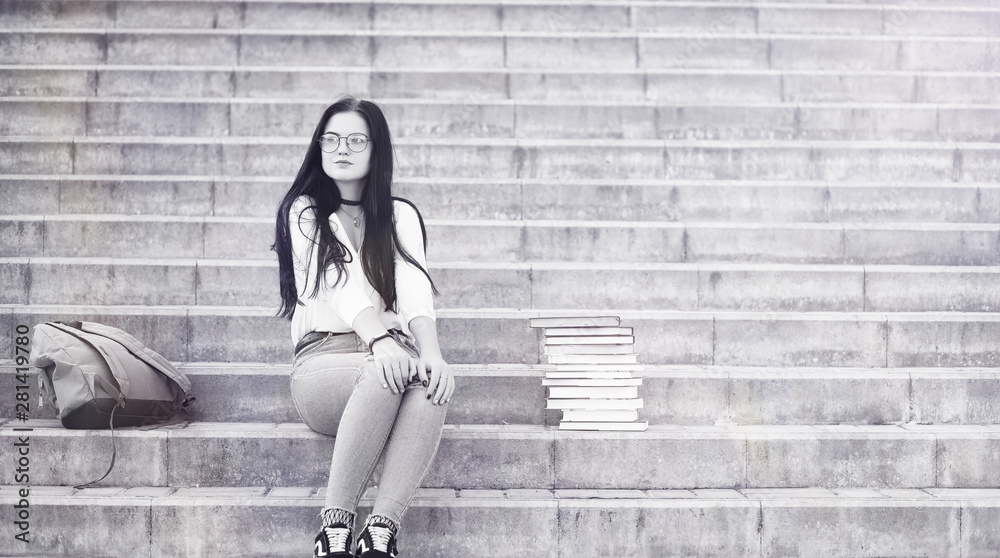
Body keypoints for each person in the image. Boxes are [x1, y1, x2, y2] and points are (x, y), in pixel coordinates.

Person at [273, 96, 454, 558]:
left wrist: (430, 353)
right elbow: (335, 280)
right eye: (330, 139)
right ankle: (334, 529)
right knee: (386, 369)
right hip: (323, 367)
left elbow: (414, 285)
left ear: (377, 149)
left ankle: (380, 532)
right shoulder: (304, 211)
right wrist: (379, 340)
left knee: (430, 383)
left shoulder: (400, 215)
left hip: (387, 356)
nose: (341, 149)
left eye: (356, 139)